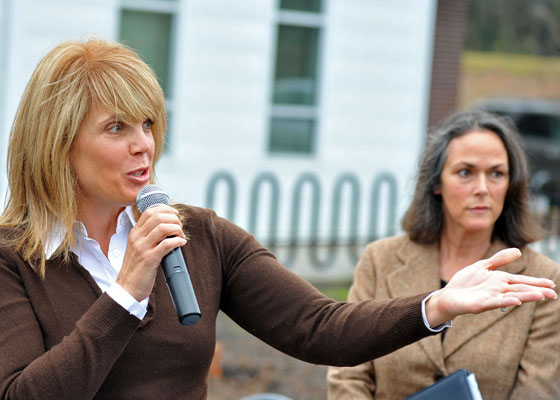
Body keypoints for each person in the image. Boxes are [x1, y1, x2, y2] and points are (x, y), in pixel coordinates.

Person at [0, 39, 555, 400]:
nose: (144, 145)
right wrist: (124, 296)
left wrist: (435, 305)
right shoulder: (12, 258)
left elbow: (321, 328)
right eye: (117, 128)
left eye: (149, 123)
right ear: (58, 143)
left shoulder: (200, 236)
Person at [327, 109, 560, 400]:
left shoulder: (543, 279)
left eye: (496, 174)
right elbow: (349, 372)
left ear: (511, 185)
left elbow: (537, 392)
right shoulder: (380, 260)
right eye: (466, 172)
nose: (482, 189)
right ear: (436, 183)